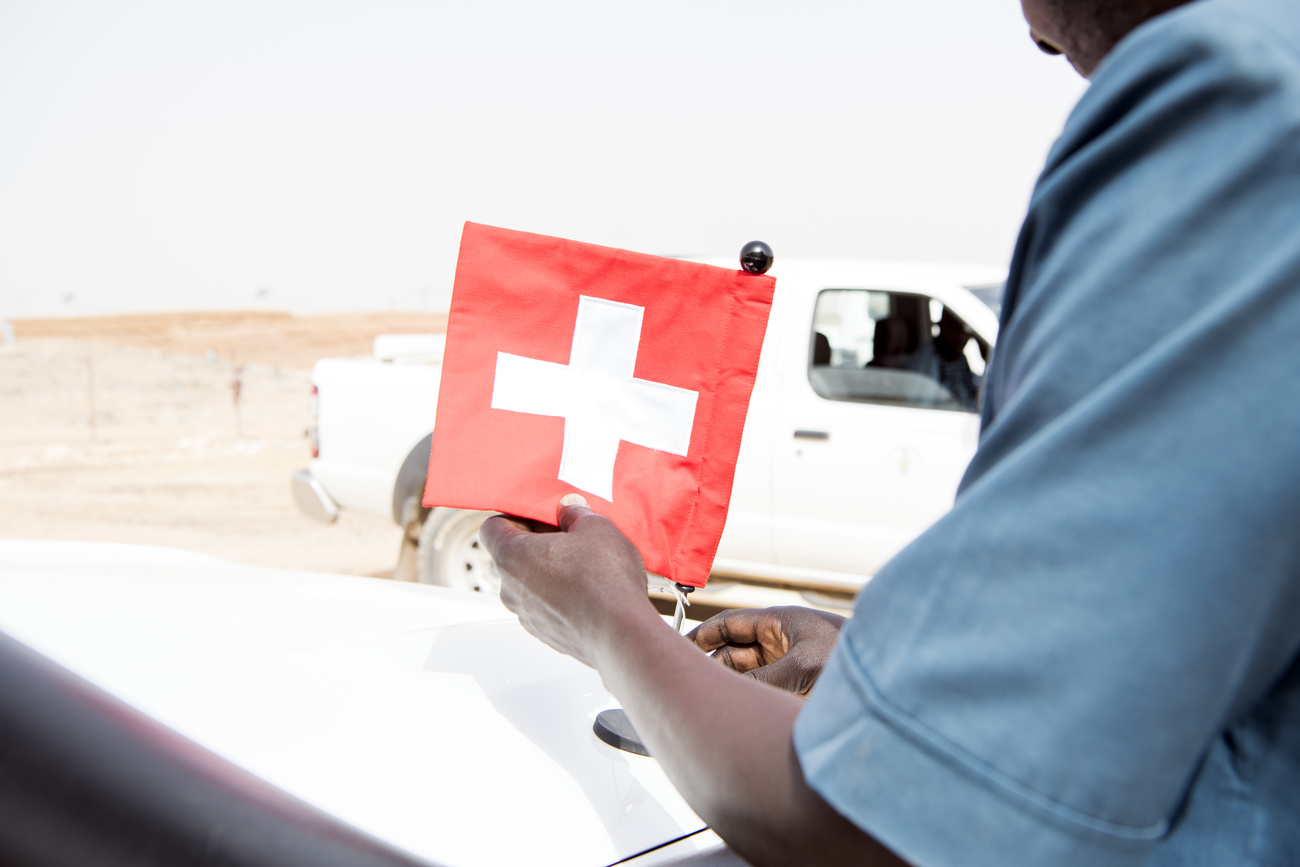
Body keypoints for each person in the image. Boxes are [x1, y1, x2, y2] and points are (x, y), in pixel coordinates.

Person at [481, 1, 1300, 864]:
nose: (1038, 36)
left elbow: (871, 825)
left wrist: (607, 620)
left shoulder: (1237, 97)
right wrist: (879, 660)